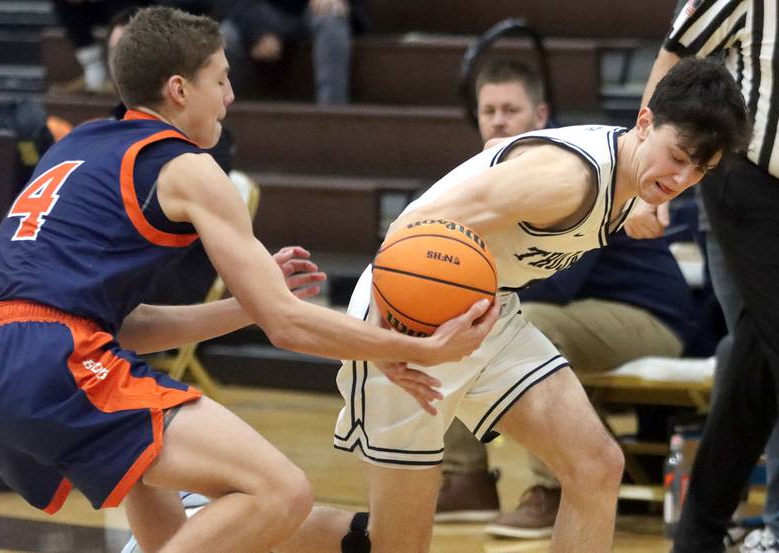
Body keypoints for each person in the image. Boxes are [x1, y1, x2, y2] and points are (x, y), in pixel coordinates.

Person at [0, 7, 498, 553]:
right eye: (221, 79)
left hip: (0, 358)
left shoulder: (77, 145)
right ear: (179, 89)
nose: (230, 96)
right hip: (59, 362)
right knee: (279, 491)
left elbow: (124, 325)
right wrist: (418, 347)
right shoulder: (184, 165)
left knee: (172, 534)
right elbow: (288, 326)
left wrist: (244, 304)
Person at [272, 56, 750, 553]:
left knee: (596, 465)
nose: (682, 178)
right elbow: (406, 229)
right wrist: (387, 340)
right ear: (645, 122)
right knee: (394, 544)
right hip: (409, 313)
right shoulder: (566, 180)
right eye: (678, 158)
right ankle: (242, 529)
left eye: (700, 169)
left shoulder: (634, 174)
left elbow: (502, 150)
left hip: (488, 316)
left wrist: (643, 201)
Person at [429, 58, 696, 539]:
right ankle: (465, 478)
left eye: (511, 109)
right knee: (452, 310)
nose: (498, 120)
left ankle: (555, 488)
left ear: (541, 115)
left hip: (654, 318)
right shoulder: (505, 166)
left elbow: (555, 284)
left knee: (527, 321)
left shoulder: (572, 165)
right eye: (488, 110)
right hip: (586, 309)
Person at [623, 2, 779, 552]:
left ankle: (699, 531)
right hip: (750, 181)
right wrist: (638, 175)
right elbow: (675, 54)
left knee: (758, 353)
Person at [221, 0, 368, 104]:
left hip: (317, 11)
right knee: (223, 37)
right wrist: (257, 31)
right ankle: (221, 124)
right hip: (260, 11)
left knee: (332, 15)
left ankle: (334, 116)